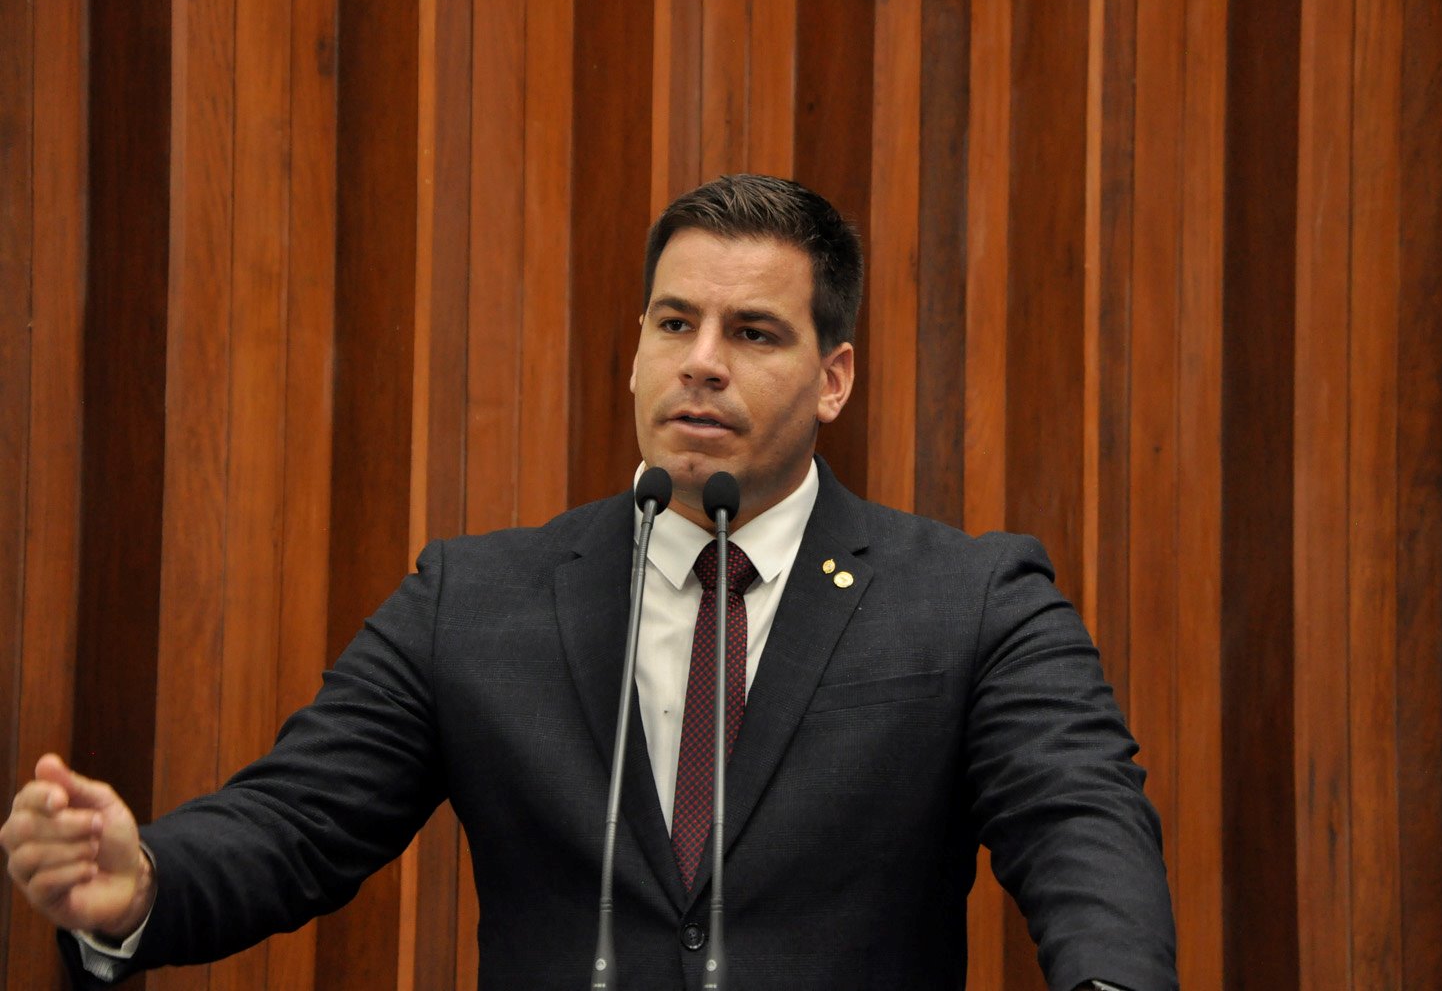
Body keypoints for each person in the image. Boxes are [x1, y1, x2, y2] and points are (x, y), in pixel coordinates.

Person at [2, 174, 1176, 990]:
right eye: (674, 322)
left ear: (834, 378)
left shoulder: (970, 600)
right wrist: (144, 879)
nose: (700, 362)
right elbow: (296, 822)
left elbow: (1080, 820)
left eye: (754, 333)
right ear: (635, 351)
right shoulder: (477, 598)